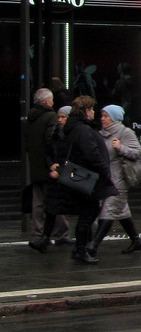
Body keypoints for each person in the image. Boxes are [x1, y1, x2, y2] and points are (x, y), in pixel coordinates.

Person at [44, 96, 117, 265]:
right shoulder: (83, 130)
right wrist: (104, 170)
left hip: (80, 176)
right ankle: (81, 250)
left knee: (87, 213)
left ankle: (80, 249)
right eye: (91, 109)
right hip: (87, 178)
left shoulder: (74, 128)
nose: (93, 113)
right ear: (86, 111)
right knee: (88, 214)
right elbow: (91, 154)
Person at [88, 105, 141, 256]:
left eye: (106, 116)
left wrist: (121, 148)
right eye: (102, 115)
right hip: (104, 179)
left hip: (119, 180)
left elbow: (138, 153)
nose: (102, 119)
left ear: (114, 117)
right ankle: (136, 241)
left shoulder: (125, 132)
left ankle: (93, 246)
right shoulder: (100, 134)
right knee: (122, 212)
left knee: (108, 211)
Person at [24, 88, 70, 252]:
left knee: (37, 201)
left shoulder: (30, 117)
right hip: (49, 165)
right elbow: (51, 140)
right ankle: (61, 234)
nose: (52, 103)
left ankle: (37, 233)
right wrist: (54, 161)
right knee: (55, 200)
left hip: (35, 165)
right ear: (46, 101)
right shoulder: (50, 116)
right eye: (51, 100)